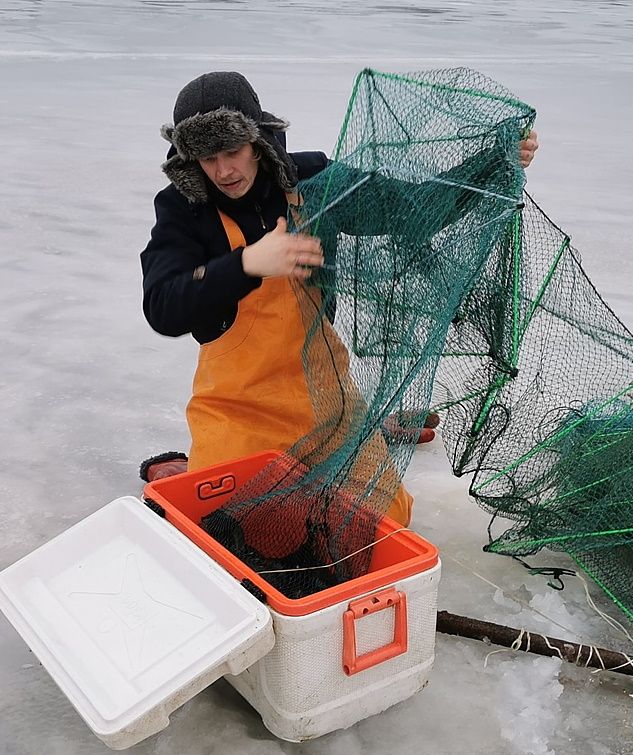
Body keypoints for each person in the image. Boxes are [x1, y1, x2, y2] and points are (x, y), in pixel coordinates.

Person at [139, 71, 539, 525]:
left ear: (257, 140)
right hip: (238, 405)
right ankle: (195, 463)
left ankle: (366, 430)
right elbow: (163, 305)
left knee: (386, 520)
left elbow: (408, 208)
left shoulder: (311, 178)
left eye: (233, 152)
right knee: (227, 521)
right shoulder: (183, 208)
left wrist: (492, 163)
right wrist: (247, 263)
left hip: (324, 392)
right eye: (208, 158)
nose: (224, 171)